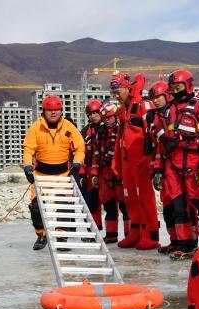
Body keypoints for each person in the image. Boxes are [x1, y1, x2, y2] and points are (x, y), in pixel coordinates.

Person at [155, 70, 199, 261]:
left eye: (178, 88)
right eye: (172, 88)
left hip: (194, 163)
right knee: (178, 207)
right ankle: (187, 245)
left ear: (188, 86)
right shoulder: (168, 110)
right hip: (173, 163)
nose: (176, 91)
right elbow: (162, 143)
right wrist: (159, 169)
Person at [23, 95, 85, 250]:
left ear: (61, 111)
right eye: (50, 110)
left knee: (64, 206)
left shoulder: (69, 127)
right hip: (41, 174)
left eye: (56, 110)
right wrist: (27, 167)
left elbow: (80, 147)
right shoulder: (35, 128)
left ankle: (62, 237)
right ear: (44, 111)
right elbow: (29, 149)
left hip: (62, 175)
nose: (53, 113)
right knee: (36, 207)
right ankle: (41, 235)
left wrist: (77, 164)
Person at [146, 80, 199, 255]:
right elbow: (159, 146)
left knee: (185, 206)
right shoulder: (155, 117)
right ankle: (175, 240)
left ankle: (189, 241)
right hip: (166, 166)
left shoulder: (173, 114)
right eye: (153, 98)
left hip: (183, 163)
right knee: (169, 208)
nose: (155, 101)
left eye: (158, 97)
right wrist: (157, 170)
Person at [111, 73, 160, 250]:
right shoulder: (122, 110)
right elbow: (119, 138)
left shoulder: (143, 105)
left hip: (141, 160)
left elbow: (152, 133)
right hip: (127, 162)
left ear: (128, 88)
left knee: (144, 197)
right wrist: (116, 161)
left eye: (119, 91)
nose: (116, 96)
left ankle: (151, 234)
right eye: (114, 93)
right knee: (129, 197)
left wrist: (151, 159)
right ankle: (136, 232)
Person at [97, 102, 130, 243]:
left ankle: (130, 234)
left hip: (120, 172)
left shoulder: (122, 129)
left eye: (109, 117)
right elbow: (96, 153)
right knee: (109, 205)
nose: (106, 120)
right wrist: (94, 172)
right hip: (105, 172)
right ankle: (111, 234)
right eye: (104, 118)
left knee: (125, 206)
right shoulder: (101, 132)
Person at [79, 100, 103, 231]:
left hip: (107, 169)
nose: (93, 116)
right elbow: (81, 153)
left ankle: (116, 234)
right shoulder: (84, 132)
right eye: (90, 114)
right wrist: (82, 174)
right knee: (91, 202)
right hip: (90, 171)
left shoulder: (111, 127)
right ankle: (94, 230)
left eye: (96, 112)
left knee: (115, 203)